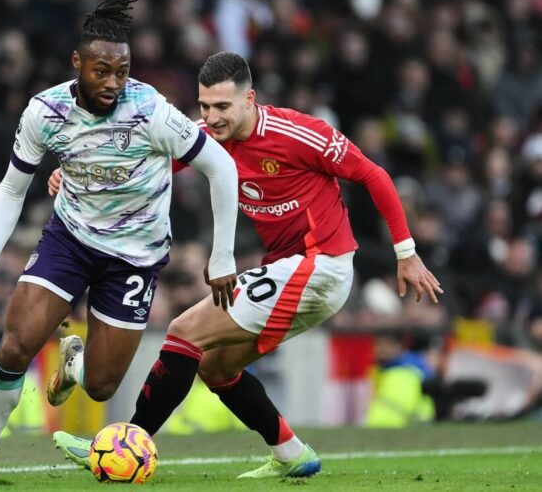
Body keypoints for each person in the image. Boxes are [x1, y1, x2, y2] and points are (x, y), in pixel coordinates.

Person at [50, 51, 442, 479]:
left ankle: (122, 444)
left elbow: (373, 175)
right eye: (204, 106)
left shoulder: (299, 133)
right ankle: (293, 454)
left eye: (222, 107)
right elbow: (144, 166)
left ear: (249, 99)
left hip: (319, 265)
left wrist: (406, 253)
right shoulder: (203, 138)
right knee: (216, 367)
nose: (212, 117)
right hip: (292, 272)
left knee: (184, 331)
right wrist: (75, 177)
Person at [0, 0, 239, 483]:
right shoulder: (45, 112)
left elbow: (221, 167)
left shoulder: (151, 111)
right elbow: (12, 188)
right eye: (102, 71)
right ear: (78, 63)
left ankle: (72, 365)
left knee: (100, 386)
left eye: (122, 71)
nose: (113, 82)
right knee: (15, 345)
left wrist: (222, 255)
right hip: (70, 240)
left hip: (136, 259)